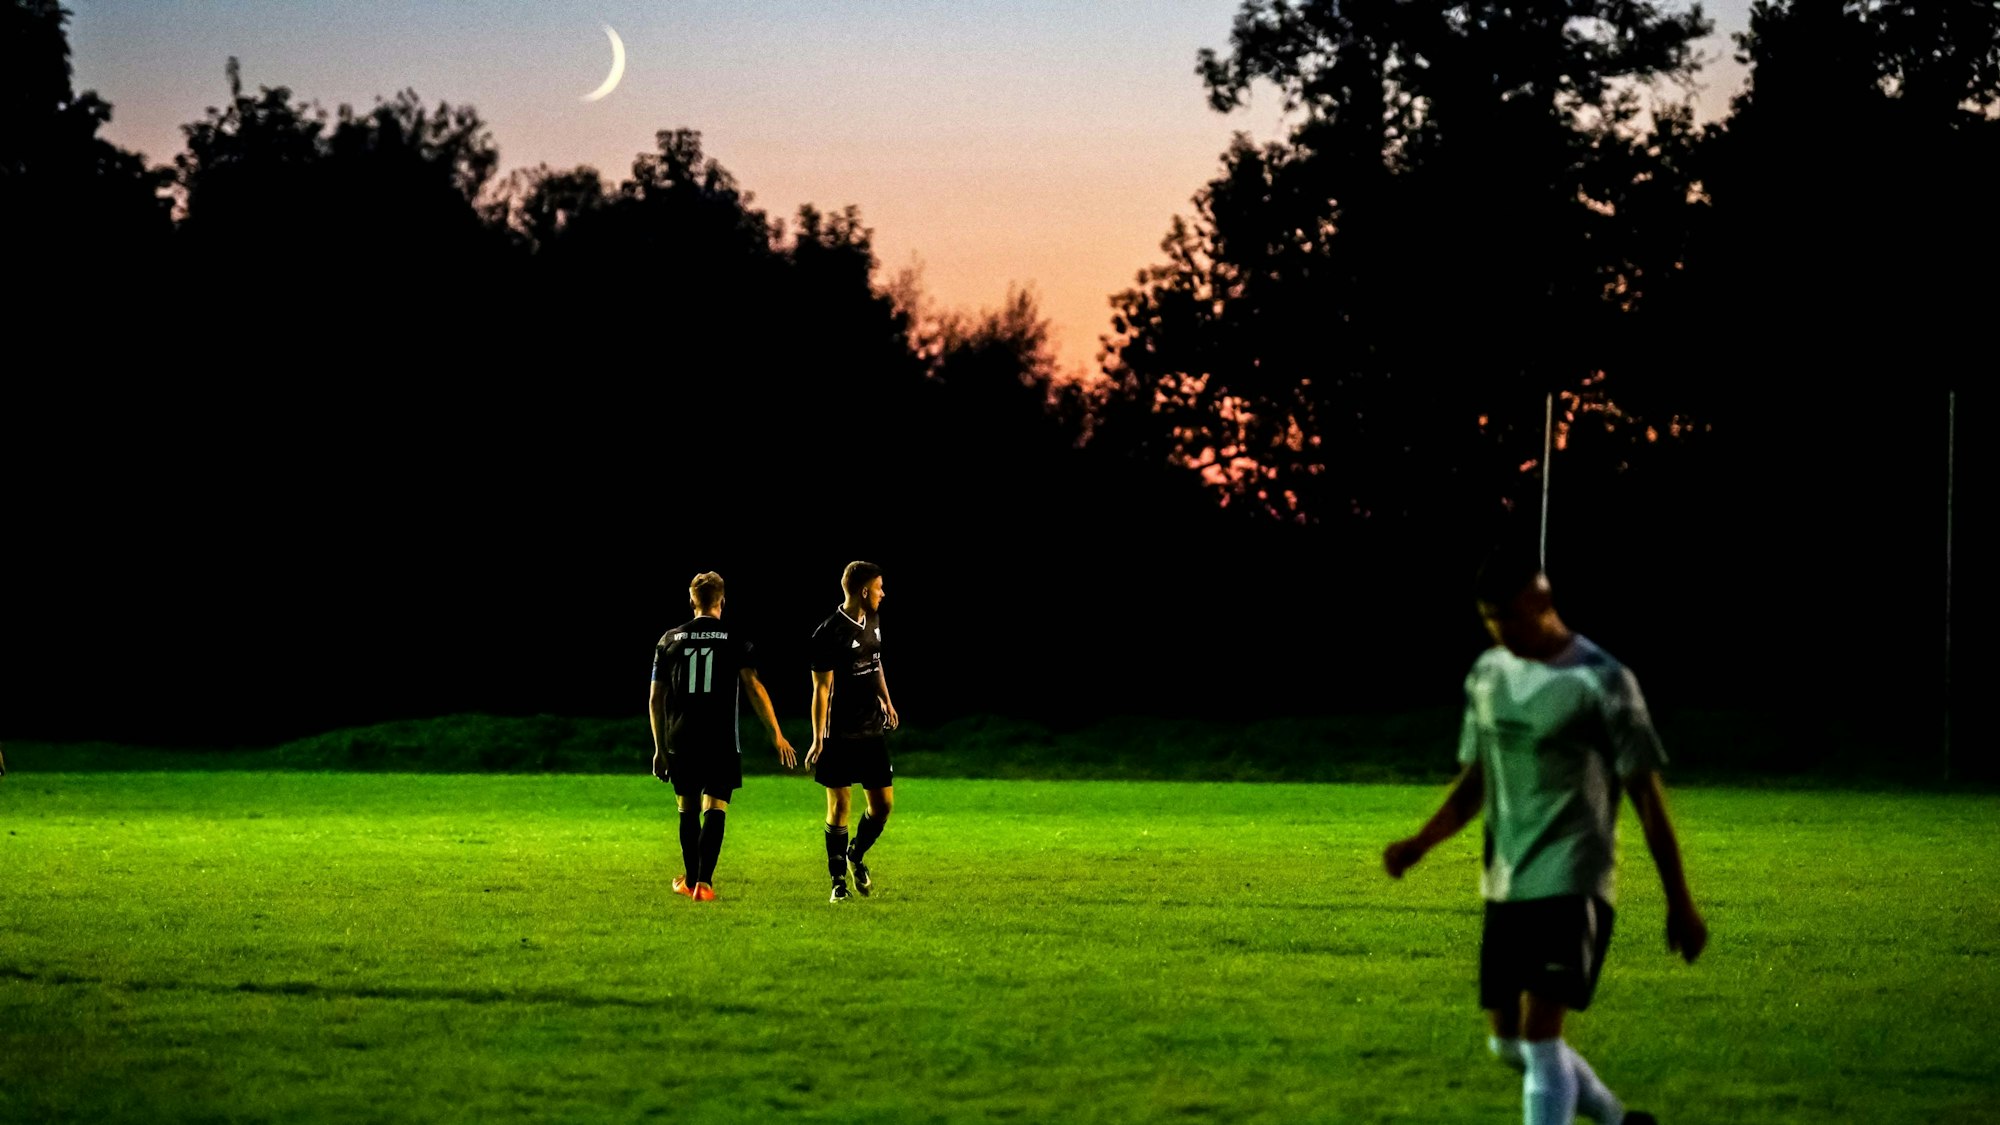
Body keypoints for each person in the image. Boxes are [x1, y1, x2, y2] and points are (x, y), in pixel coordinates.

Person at [1382, 544, 1707, 1125]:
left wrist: (1679, 901)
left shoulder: (1603, 681)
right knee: (1506, 1044)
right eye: (1488, 619)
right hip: (1506, 880)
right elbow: (1475, 781)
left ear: (1542, 601)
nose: (1499, 631)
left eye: (1508, 616)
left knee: (1538, 1039)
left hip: (1574, 878)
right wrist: (1420, 843)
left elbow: (1648, 802)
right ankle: (1618, 1120)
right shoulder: (1486, 675)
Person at [650, 571, 795, 902]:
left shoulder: (668, 640)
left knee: (687, 809)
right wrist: (777, 734)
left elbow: (655, 699)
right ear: (723, 601)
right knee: (715, 806)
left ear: (691, 601)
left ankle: (688, 880)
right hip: (720, 739)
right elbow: (753, 686)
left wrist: (659, 749)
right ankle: (704, 884)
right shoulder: (735, 638)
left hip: (680, 737)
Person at [804, 560, 899, 903]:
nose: (883, 593)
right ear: (863, 591)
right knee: (840, 806)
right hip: (839, 734)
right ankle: (838, 884)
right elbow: (821, 690)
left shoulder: (872, 619)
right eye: (879, 587)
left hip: (871, 729)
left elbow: (875, 662)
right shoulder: (827, 633)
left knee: (883, 806)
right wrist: (818, 738)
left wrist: (886, 701)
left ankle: (856, 854)